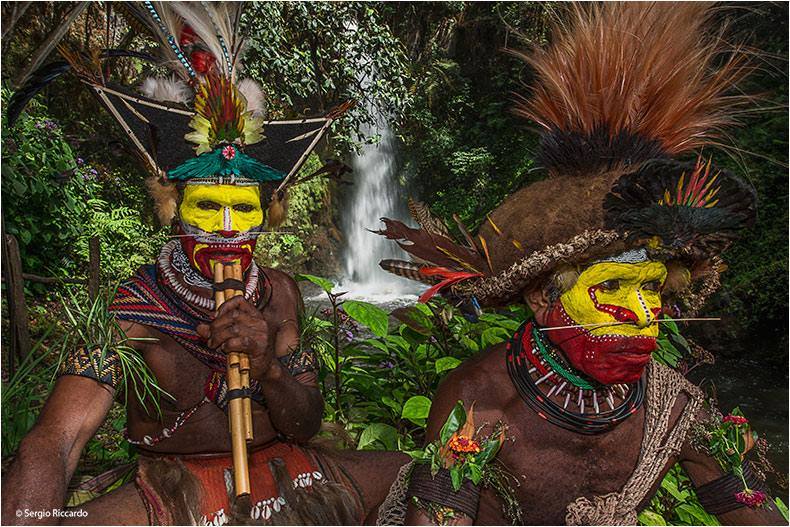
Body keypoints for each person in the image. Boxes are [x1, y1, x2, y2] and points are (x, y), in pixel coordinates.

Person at [375, 3, 784, 525]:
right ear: (541, 296)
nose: (644, 313)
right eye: (611, 286)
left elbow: (752, 513)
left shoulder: (672, 407)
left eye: (651, 288)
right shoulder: (478, 402)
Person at [2, 3, 405, 525]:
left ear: (266, 216)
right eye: (209, 206)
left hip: (290, 468)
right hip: (178, 489)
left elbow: (304, 424)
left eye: (244, 209)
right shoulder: (136, 307)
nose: (228, 228)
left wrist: (268, 367)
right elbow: (58, 439)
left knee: (426, 475)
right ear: (174, 210)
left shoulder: (279, 293)